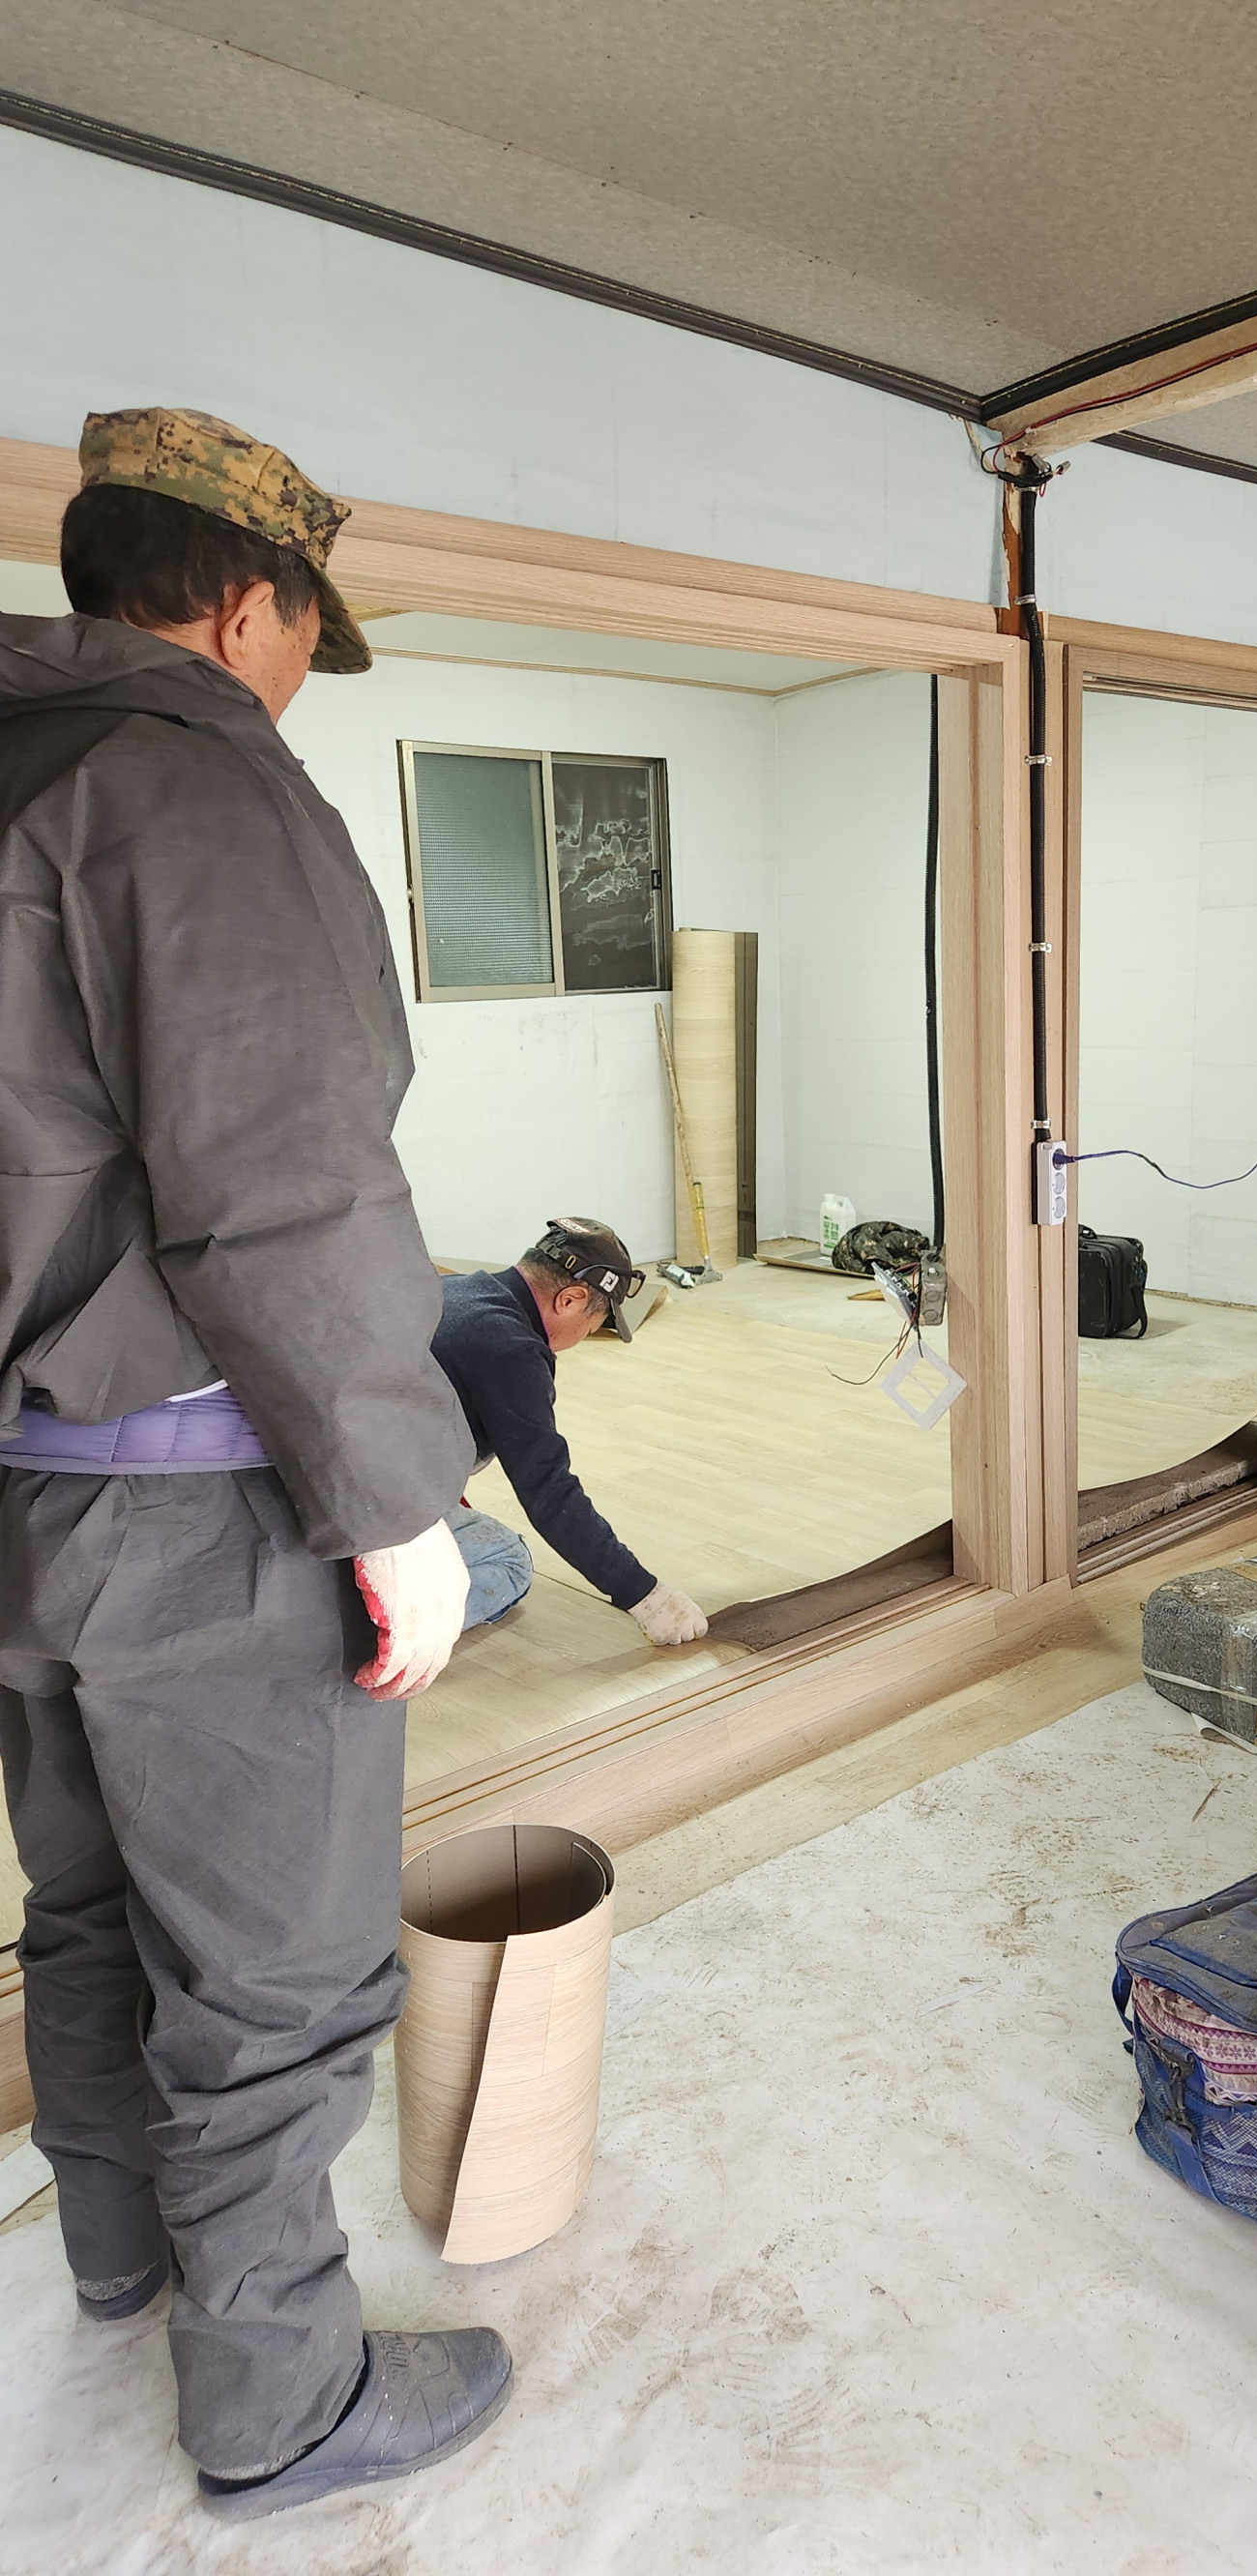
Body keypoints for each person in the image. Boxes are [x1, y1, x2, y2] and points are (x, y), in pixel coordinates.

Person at [0, 407, 512, 2521]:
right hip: (202, 1505)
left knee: (88, 1907)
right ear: (245, 604)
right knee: (275, 1976)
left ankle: (120, 2264)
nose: (299, 676)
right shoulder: (193, 782)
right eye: (309, 637)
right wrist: (397, 1507)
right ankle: (280, 2402)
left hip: (28, 1498)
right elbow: (282, 1182)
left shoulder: (19, 771)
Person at [433, 1219, 710, 1648]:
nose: (586, 1336)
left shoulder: (452, 1291)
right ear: (571, 1299)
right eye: (594, 1324)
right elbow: (548, 1491)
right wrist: (643, 1594)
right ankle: (374, 1629)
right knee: (508, 1560)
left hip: (335, 1482)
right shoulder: (511, 1350)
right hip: (368, 1509)